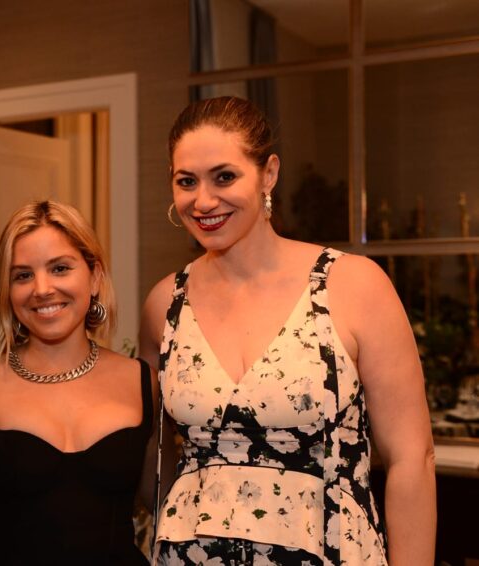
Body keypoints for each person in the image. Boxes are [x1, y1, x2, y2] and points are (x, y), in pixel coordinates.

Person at [140, 97, 436, 565]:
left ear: (269, 174)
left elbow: (411, 460)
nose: (203, 200)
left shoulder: (353, 285)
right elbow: (155, 455)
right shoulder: (165, 304)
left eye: (224, 176)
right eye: (186, 182)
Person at [0, 200, 157, 566]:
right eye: (22, 275)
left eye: (60, 268)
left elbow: (168, 504)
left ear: (95, 275)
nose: (42, 289)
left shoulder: (141, 381)